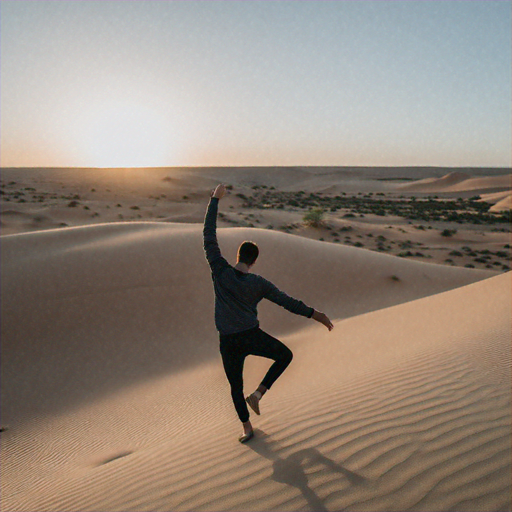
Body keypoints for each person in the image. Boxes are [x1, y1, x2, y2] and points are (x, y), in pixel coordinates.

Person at [204, 184, 334, 443]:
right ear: (254, 261)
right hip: (251, 336)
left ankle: (247, 428)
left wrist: (215, 200)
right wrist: (315, 314)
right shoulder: (259, 283)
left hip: (228, 341)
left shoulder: (220, 271)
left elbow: (208, 237)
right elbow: (287, 302)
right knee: (284, 355)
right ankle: (260, 394)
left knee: (235, 387)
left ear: (238, 256)